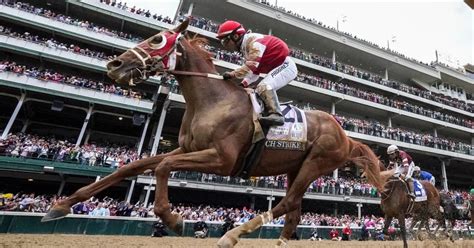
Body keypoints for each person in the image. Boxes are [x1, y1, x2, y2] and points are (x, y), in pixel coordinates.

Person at [216, 20, 298, 126]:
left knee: (263, 86)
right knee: (257, 90)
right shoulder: (245, 48)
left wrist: (233, 74)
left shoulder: (254, 42)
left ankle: (277, 115)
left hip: (286, 66)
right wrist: (243, 84)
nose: (224, 45)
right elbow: (254, 72)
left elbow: (251, 66)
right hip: (279, 66)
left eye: (225, 41)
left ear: (235, 36)